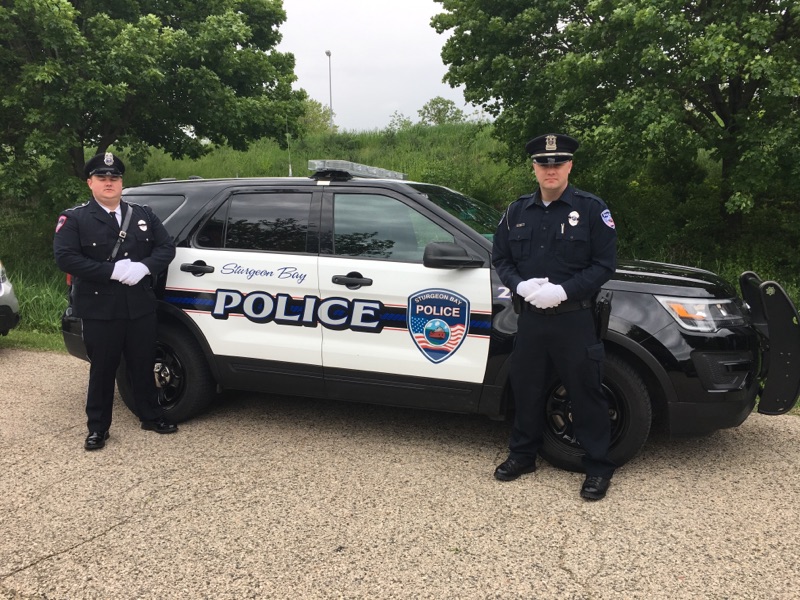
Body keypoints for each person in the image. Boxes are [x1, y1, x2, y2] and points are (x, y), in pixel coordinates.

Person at [491, 133, 617, 500]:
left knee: (585, 391)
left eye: (558, 163)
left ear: (570, 166)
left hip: (573, 319)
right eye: (543, 164)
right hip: (530, 318)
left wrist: (563, 291)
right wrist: (521, 286)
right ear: (534, 167)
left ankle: (597, 467)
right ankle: (523, 455)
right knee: (525, 387)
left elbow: (604, 264)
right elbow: (501, 259)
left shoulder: (592, 209)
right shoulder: (516, 211)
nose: (551, 170)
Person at [54, 152, 178, 450]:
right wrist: (112, 271)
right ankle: (98, 428)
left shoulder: (143, 214)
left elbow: (166, 248)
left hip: (139, 305)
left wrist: (144, 267)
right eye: (102, 178)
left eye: (114, 178)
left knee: (143, 362)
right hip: (100, 308)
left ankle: (150, 415)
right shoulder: (75, 218)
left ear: (121, 182)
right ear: (90, 183)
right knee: (103, 369)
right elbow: (66, 258)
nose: (109, 183)